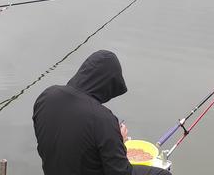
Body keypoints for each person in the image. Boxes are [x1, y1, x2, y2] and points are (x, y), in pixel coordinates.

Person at [33, 50, 172, 175]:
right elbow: (121, 172)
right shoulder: (102, 119)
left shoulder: (46, 97)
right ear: (106, 85)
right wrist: (120, 141)